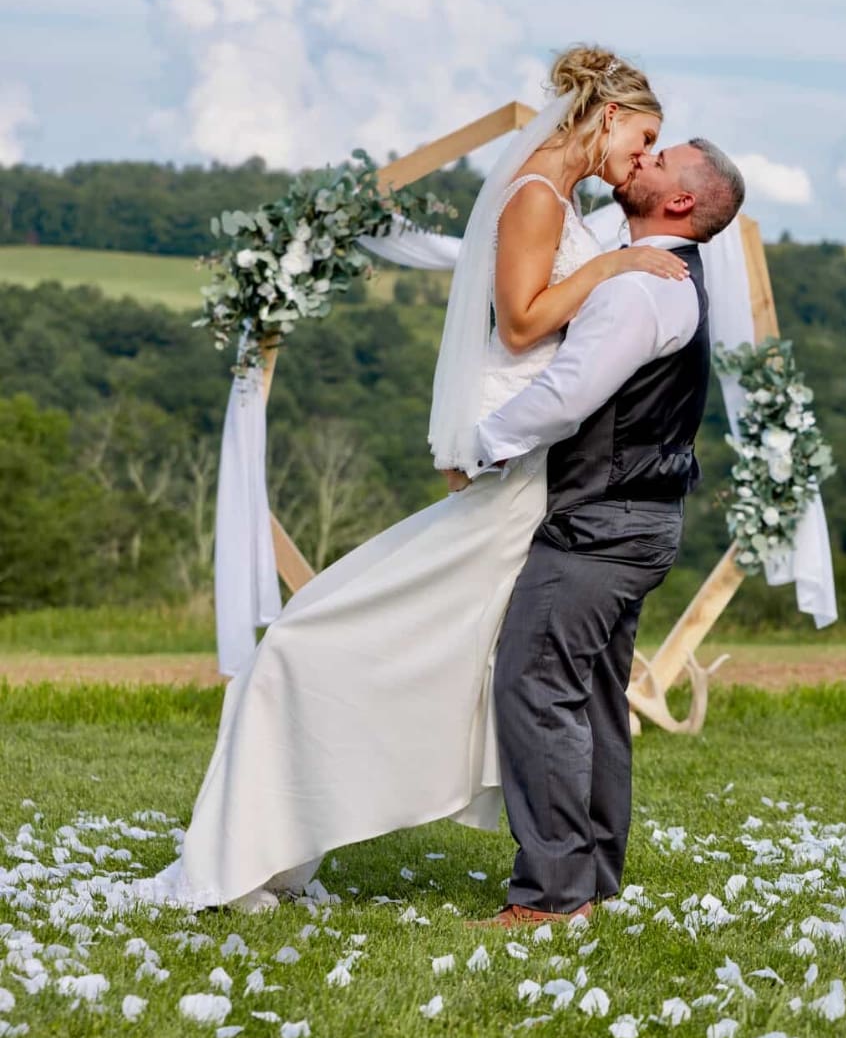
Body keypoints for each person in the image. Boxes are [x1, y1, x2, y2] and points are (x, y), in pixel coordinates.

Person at [131, 45, 689, 912]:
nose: (643, 156)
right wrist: (614, 265)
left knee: (455, 662)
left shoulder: (563, 197)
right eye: (644, 135)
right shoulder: (537, 195)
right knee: (327, 636)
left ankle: (555, 873)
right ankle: (255, 843)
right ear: (608, 115)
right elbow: (520, 325)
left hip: (538, 484)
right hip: (517, 484)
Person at [468, 140, 746, 926]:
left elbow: (567, 394)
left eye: (663, 159)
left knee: (536, 688)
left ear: (682, 203)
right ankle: (590, 877)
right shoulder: (655, 273)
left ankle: (554, 897)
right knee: (590, 697)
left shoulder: (642, 290)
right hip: (639, 520)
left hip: (601, 525)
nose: (644, 158)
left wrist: (479, 445)